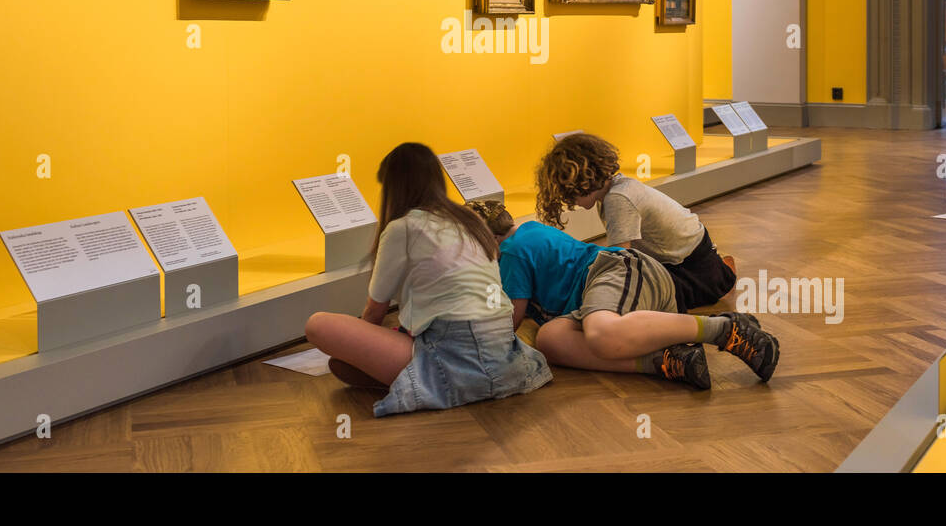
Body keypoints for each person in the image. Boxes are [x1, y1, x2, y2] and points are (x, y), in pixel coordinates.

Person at [304, 143, 551, 415]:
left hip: (452, 353)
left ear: (392, 188)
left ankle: (435, 384)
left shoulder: (403, 228)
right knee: (341, 365)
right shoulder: (470, 220)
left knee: (318, 325)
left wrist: (363, 340)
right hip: (506, 357)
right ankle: (436, 381)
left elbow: (375, 311)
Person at [466, 200, 779, 389]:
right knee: (550, 338)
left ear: (487, 239)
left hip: (620, 272)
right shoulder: (524, 238)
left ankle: (724, 329)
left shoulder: (513, 251)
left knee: (600, 330)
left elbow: (509, 321)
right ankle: (666, 361)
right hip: (620, 294)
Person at [534, 133, 737, 313]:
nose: (569, 201)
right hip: (687, 252)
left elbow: (618, 261)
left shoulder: (618, 199)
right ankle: (720, 269)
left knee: (637, 305)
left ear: (581, 183)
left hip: (689, 265)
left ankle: (720, 275)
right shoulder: (614, 190)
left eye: (567, 193)